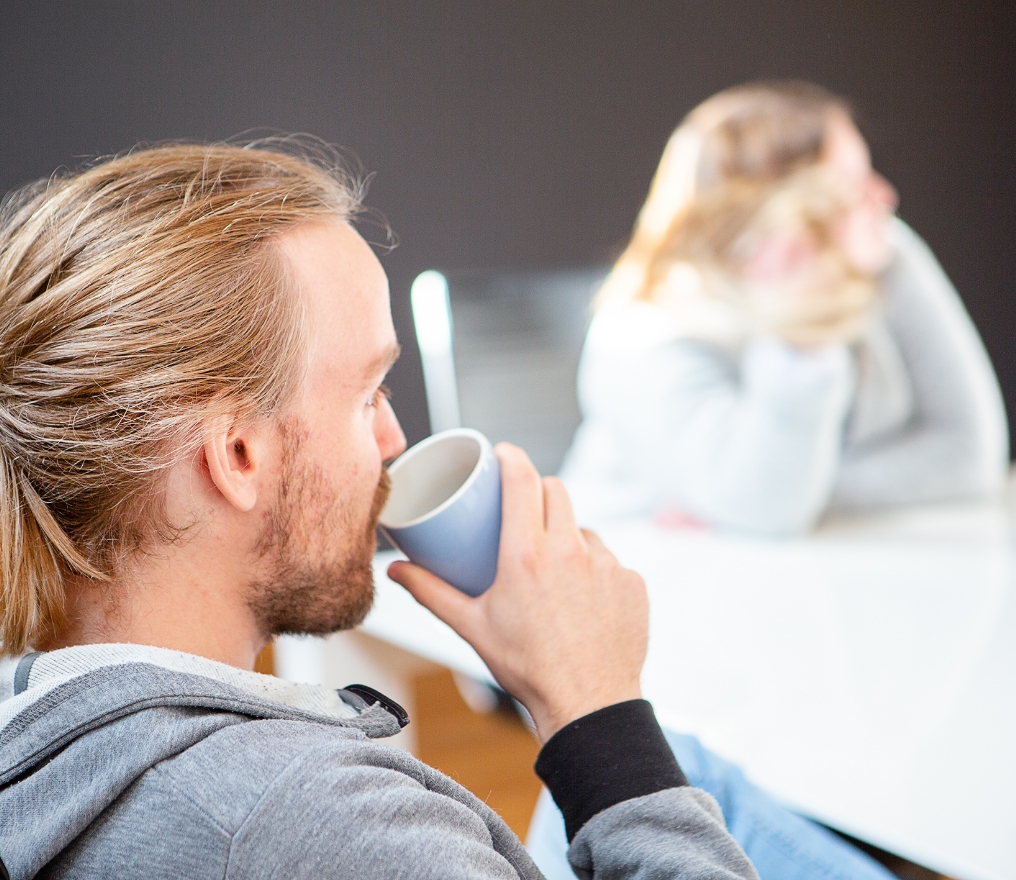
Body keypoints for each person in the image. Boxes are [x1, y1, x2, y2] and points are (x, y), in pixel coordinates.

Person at [0, 143, 758, 879]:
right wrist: (599, 709)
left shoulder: (43, 715)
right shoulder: (315, 826)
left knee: (708, 779)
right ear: (236, 456)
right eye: (369, 396)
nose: (394, 438)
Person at [560, 81, 1008, 535]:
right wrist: (802, 331)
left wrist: (804, 494)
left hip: (822, 567)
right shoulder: (644, 330)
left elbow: (969, 454)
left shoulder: (885, 253)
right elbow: (767, 508)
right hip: (647, 568)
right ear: (775, 211)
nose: (885, 195)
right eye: (852, 185)